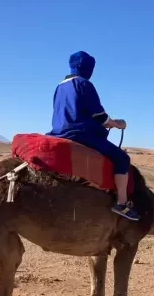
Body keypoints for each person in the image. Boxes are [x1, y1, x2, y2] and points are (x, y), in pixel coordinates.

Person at [47, 51, 140, 221]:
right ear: (87, 68)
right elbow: (100, 117)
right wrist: (116, 124)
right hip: (80, 134)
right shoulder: (84, 84)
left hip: (58, 132)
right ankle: (122, 203)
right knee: (122, 159)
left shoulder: (59, 87)